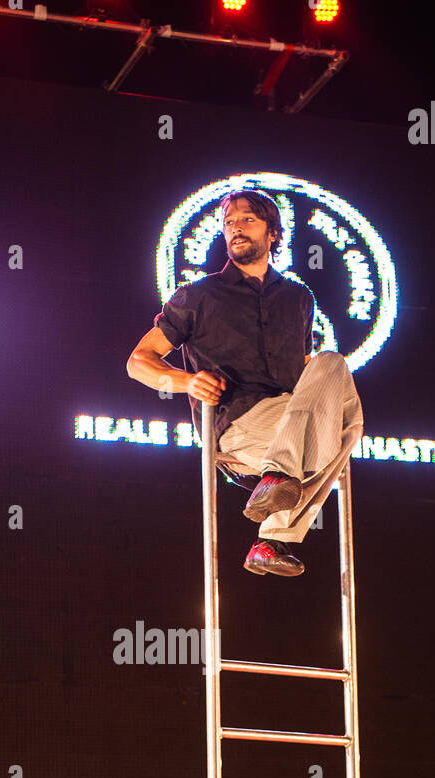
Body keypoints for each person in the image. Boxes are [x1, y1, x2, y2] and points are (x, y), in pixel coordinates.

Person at [126, 187, 364, 576]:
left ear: (273, 232)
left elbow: (308, 370)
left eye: (247, 220)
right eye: (229, 222)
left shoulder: (298, 298)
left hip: (290, 421)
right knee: (338, 419)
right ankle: (276, 502)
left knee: (340, 401)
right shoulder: (197, 296)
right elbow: (139, 362)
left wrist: (323, 396)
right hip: (238, 424)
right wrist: (186, 381)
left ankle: (269, 537)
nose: (235, 228)